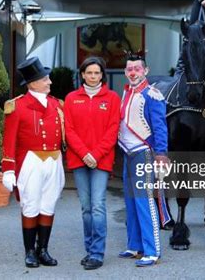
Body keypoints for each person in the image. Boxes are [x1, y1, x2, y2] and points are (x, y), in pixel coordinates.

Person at [1, 57, 65, 268]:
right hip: (30, 162)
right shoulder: (17, 106)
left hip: (54, 160)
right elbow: (8, 140)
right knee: (30, 206)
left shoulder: (57, 104)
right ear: (33, 83)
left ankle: (43, 249)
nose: (49, 82)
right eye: (45, 79)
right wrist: (8, 170)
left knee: (48, 205)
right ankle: (29, 251)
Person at [64, 57, 120, 270]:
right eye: (89, 73)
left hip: (101, 160)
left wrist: (95, 154)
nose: (93, 77)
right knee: (86, 207)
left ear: (102, 75)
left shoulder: (112, 98)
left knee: (97, 205)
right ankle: (89, 249)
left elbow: (113, 129)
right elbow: (68, 129)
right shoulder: (71, 98)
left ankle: (97, 253)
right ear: (82, 74)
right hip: (78, 159)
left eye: (97, 73)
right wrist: (84, 153)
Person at [118, 54, 172, 267]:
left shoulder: (153, 95)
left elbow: (160, 128)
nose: (133, 72)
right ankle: (135, 245)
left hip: (144, 153)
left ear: (145, 71)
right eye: (129, 69)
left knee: (145, 202)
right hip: (128, 152)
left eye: (137, 69)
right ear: (125, 72)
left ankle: (152, 250)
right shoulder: (125, 93)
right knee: (131, 202)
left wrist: (161, 154)